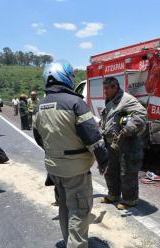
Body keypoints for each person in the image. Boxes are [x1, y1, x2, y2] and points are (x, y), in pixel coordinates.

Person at [33, 61, 109, 248]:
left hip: (54, 168)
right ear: (64, 77)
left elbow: (38, 138)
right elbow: (93, 138)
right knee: (79, 212)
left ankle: (69, 243)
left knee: (65, 208)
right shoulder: (76, 103)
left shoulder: (39, 106)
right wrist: (104, 161)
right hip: (75, 170)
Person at [100, 76, 147, 210]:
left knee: (127, 171)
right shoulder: (110, 99)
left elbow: (142, 113)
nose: (105, 91)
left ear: (115, 87)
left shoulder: (127, 99)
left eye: (107, 88)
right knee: (111, 170)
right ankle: (113, 195)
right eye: (104, 88)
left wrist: (129, 128)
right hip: (112, 142)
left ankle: (130, 200)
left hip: (126, 142)